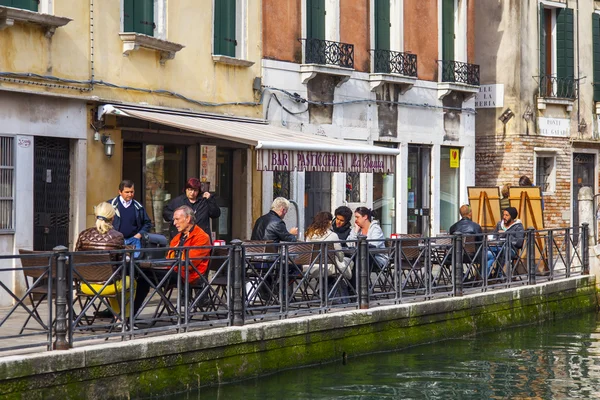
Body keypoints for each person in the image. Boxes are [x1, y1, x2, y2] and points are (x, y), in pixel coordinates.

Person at [75, 202, 131, 317]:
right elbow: (121, 265)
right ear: (113, 218)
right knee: (131, 282)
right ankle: (124, 318)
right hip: (108, 286)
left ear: (95, 216)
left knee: (115, 279)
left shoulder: (83, 235)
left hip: (86, 286)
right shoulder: (117, 236)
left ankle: (118, 316)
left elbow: (77, 259)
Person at [305, 211, 352, 302]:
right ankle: (350, 293)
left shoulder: (309, 234)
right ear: (330, 222)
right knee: (349, 262)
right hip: (328, 267)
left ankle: (325, 293)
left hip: (312, 266)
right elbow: (340, 256)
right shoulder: (333, 235)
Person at [166, 205, 212, 285]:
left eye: (177, 219)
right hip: (175, 271)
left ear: (188, 219)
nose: (174, 223)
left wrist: (171, 267)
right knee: (143, 273)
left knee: (147, 275)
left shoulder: (202, 237)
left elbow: (190, 263)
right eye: (174, 220)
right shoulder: (176, 238)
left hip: (189, 276)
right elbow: (169, 258)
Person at [107, 180, 152, 258]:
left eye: (132, 192)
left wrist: (139, 235)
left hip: (133, 241)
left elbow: (147, 223)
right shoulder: (110, 205)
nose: (130, 194)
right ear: (120, 192)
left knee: (134, 264)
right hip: (115, 241)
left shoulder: (138, 207)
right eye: (127, 192)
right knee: (115, 263)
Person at [487, 207, 524, 277]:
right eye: (503, 215)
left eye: (507, 215)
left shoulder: (518, 226)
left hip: (511, 250)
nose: (504, 217)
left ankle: (497, 274)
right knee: (488, 253)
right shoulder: (499, 224)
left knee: (500, 251)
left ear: (512, 217)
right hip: (497, 248)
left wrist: (507, 234)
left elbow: (519, 242)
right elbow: (495, 236)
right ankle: (486, 276)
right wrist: (491, 239)